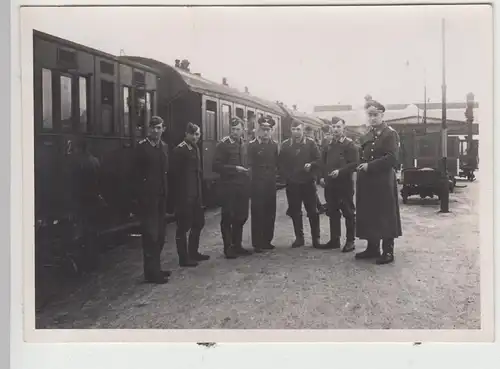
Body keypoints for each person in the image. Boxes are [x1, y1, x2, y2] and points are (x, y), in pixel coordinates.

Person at [355, 100, 402, 264]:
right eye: (370, 115)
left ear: (382, 115)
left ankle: (388, 251)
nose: (372, 118)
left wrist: (370, 165)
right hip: (368, 181)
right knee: (370, 213)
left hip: (383, 181)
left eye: (376, 115)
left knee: (385, 215)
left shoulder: (390, 133)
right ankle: (372, 248)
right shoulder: (368, 134)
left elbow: (392, 158)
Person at [134, 116, 170, 284]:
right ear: (149, 129)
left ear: (164, 129)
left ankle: (156, 268)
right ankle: (152, 273)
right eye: (153, 128)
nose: (155, 131)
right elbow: (133, 174)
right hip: (148, 198)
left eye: (158, 128)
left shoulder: (164, 147)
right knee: (151, 235)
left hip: (161, 195)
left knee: (161, 235)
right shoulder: (141, 148)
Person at [278, 118, 322, 248]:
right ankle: (299, 238)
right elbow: (280, 164)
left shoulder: (311, 144)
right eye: (293, 129)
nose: (296, 132)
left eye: (298, 129)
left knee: (313, 212)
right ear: (290, 130)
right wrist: (287, 177)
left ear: (303, 130)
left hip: (308, 182)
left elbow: (319, 160)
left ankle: (316, 238)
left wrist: (312, 165)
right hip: (293, 184)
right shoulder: (286, 145)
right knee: (295, 211)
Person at [212, 116, 252, 259]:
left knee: (242, 216)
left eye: (238, 129)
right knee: (228, 216)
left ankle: (237, 245)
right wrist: (235, 168)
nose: (235, 132)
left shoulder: (245, 144)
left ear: (243, 130)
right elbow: (215, 166)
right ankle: (228, 247)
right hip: (228, 186)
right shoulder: (223, 144)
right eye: (233, 129)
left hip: (243, 186)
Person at [171, 122, 209, 267]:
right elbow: (175, 176)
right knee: (183, 227)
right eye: (192, 134)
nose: (195, 137)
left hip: (196, 195)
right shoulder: (179, 150)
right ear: (186, 134)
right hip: (184, 196)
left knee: (199, 223)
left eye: (197, 134)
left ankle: (193, 252)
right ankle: (183, 258)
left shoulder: (195, 149)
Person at [319, 117, 359, 252]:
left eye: (338, 127)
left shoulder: (350, 145)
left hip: (344, 184)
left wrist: (340, 171)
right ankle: (334, 240)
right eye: (334, 127)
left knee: (348, 212)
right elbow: (323, 163)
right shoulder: (328, 144)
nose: (336, 129)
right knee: (332, 212)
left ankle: (350, 241)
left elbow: (354, 164)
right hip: (330, 185)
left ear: (344, 128)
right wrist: (322, 178)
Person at [248, 115, 279, 253]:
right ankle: (257, 242)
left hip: (270, 184)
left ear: (271, 131)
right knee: (258, 213)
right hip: (257, 185)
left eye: (268, 129)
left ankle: (267, 240)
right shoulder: (252, 145)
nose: (266, 132)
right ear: (258, 130)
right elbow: (249, 165)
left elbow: (277, 164)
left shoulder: (274, 146)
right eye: (263, 129)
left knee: (270, 212)